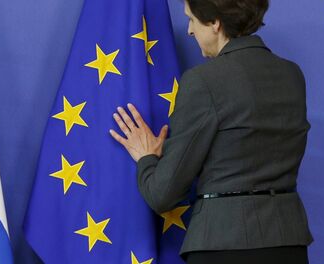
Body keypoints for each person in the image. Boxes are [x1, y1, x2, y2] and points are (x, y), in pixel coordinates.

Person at [109, 0, 313, 263]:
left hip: (223, 245)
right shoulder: (292, 75)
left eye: (192, 19)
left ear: (215, 22)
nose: (190, 31)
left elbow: (163, 194)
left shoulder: (203, 81)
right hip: (288, 243)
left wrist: (147, 157)